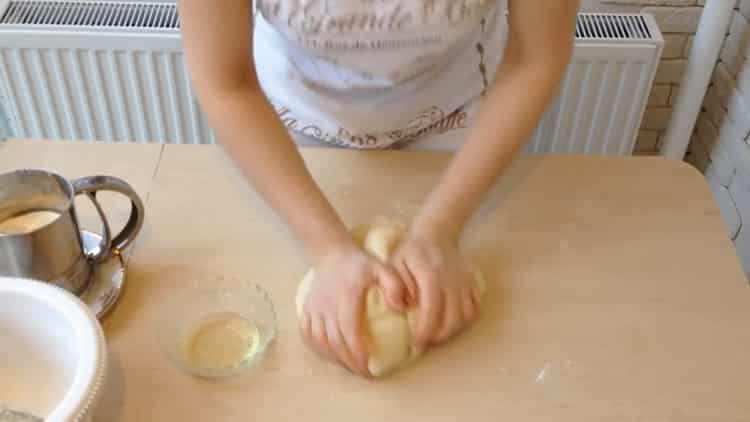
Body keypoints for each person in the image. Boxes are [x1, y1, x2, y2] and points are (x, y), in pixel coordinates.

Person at [178, 0, 579, 377]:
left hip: (460, 127)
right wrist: (327, 249)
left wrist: (441, 231)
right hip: (291, 132)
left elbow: (535, 57)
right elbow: (226, 83)